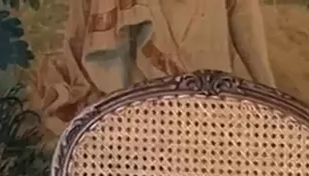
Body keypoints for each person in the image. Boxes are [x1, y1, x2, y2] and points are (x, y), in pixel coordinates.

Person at [26, 0, 276, 137]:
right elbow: (81, 38)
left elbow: (243, 13)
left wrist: (272, 97)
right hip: (137, 110)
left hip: (209, 102)